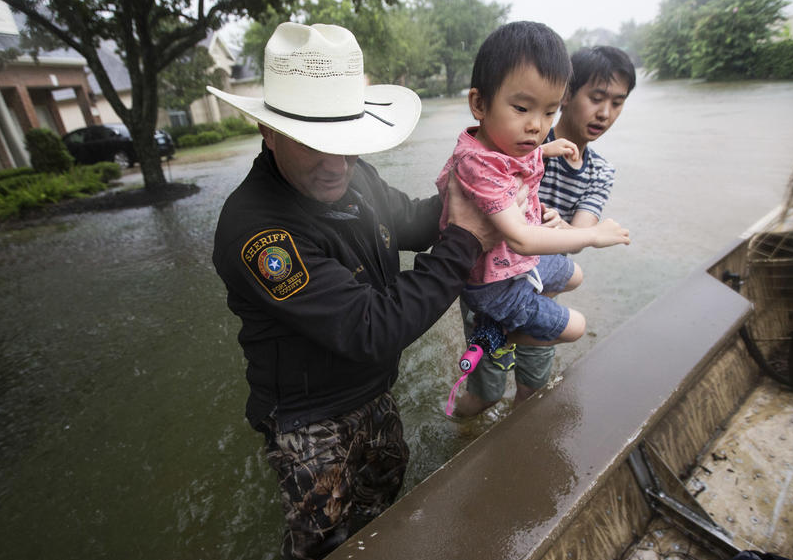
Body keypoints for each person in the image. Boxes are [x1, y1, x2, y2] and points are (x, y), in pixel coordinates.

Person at [207, 22, 499, 560]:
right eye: (314, 144)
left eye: (346, 141)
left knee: (385, 500)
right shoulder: (258, 232)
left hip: (372, 388)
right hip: (309, 417)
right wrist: (464, 245)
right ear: (268, 133)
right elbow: (371, 327)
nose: (336, 164)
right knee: (326, 542)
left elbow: (409, 220)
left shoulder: (348, 170)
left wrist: (486, 197)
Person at [436, 21, 630, 414]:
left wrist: (546, 154)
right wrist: (588, 236)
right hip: (497, 278)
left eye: (547, 112)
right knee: (489, 390)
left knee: (533, 391)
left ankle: (509, 338)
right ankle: (485, 360)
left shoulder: (543, 146)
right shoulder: (508, 143)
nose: (536, 125)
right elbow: (525, 231)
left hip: (527, 270)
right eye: (596, 97)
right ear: (573, 94)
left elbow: (520, 165)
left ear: (557, 102)